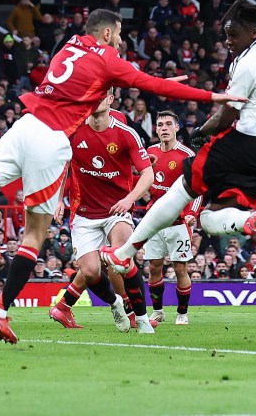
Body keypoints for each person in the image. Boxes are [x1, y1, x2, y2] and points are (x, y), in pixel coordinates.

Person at [0, 9, 243, 344]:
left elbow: (131, 79)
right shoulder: (108, 57)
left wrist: (152, 78)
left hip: (23, 126)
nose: (119, 42)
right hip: (51, 140)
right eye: (117, 35)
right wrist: (214, 95)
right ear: (105, 32)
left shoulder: (69, 45)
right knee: (34, 235)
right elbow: (152, 87)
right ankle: (0, 312)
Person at [102, 0, 256, 277]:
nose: (228, 42)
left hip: (248, 143)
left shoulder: (246, 64)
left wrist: (199, 133)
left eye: (233, 35)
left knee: (182, 189)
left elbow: (225, 118)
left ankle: (124, 254)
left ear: (253, 32)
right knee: (209, 218)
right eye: (225, 36)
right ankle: (248, 219)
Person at [48, 90, 155, 334]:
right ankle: (116, 303)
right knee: (90, 271)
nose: (97, 99)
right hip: (84, 214)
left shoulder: (126, 133)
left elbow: (147, 173)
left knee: (122, 259)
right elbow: (61, 165)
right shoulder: (73, 131)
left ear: (110, 100)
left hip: (117, 209)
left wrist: (129, 199)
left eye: (103, 95)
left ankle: (142, 318)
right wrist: (57, 199)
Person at [142, 110, 198, 326]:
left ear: (177, 128)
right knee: (154, 266)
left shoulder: (186, 155)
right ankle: (157, 311)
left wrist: (192, 212)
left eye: (168, 124)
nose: (164, 128)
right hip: (154, 219)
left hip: (178, 220)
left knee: (180, 268)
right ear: (156, 129)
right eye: (160, 125)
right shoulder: (150, 152)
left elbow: (197, 189)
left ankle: (182, 313)